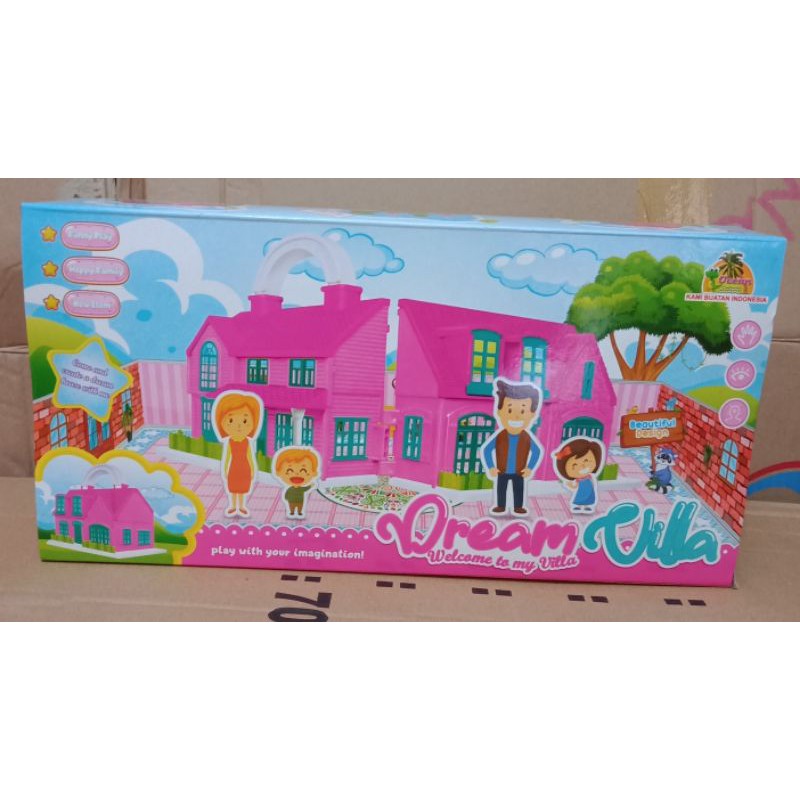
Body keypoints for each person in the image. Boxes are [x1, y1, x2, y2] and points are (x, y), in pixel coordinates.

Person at [481, 380, 543, 517]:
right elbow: (486, 450)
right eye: (509, 410)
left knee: (519, 489)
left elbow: (536, 451)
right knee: (501, 488)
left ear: (532, 414)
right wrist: (491, 467)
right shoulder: (500, 436)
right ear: (500, 411)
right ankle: (500, 505)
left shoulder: (526, 437)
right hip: (502, 470)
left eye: (522, 411)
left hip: (519, 471)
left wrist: (530, 468)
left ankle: (518, 506)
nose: (516, 416)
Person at [214, 392, 262, 518]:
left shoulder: (247, 442)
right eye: (231, 420)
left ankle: (241, 506)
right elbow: (227, 457)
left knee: (242, 488)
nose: (239, 425)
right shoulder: (230, 442)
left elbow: (250, 457)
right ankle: (233, 505)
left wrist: (253, 470)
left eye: (245, 420)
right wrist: (225, 470)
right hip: (233, 468)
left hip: (245, 468)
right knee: (233, 488)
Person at [553, 438, 605, 514]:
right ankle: (578, 506)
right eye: (575, 465)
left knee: (589, 498)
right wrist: (570, 485)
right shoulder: (577, 480)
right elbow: (574, 487)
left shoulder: (591, 477)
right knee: (579, 498)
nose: (583, 466)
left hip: (590, 491)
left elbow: (594, 484)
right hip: (580, 491)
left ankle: (588, 507)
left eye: (586, 460)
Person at [274, 447, 320, 519]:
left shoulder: (301, 489)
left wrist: (311, 485)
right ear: (278, 472)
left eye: (303, 470)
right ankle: (291, 512)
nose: (297, 473)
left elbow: (306, 488)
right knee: (291, 506)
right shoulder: (290, 489)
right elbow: (287, 494)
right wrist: (286, 498)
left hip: (300, 501)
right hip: (291, 501)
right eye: (289, 470)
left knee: (300, 506)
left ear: (314, 473)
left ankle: (299, 512)